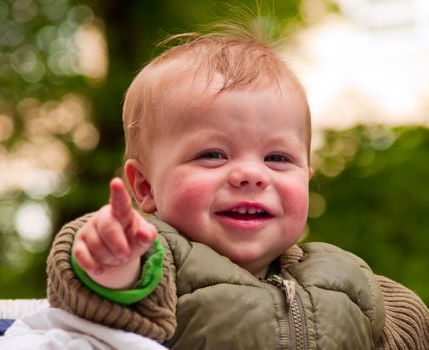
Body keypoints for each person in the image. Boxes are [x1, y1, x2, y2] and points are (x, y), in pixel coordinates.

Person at [35, 25, 428, 349]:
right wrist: (112, 258)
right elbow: (92, 296)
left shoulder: (348, 277)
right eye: (212, 155)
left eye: (277, 158)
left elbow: (410, 328)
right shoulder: (157, 260)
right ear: (145, 186)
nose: (251, 175)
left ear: (307, 177)